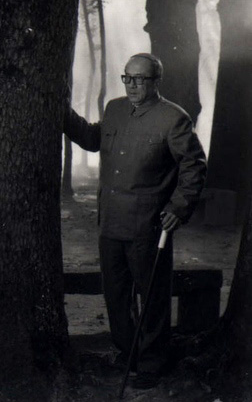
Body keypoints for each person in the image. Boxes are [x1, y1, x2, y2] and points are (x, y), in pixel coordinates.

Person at [64, 53, 207, 389]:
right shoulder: (114, 109)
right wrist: (62, 113)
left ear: (156, 81)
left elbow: (194, 165)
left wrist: (179, 206)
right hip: (111, 221)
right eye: (127, 77)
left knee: (152, 296)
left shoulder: (173, 118)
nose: (132, 85)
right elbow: (92, 138)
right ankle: (128, 354)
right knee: (115, 294)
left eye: (140, 79)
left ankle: (153, 363)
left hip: (149, 226)